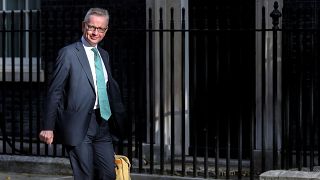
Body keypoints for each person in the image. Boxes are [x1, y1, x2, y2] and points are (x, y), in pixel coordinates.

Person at [39, 7, 126, 180]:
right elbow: (55, 91)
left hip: (102, 123)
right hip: (78, 124)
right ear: (83, 26)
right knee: (84, 175)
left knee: (108, 173)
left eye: (100, 29)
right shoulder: (69, 53)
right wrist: (48, 126)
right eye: (91, 27)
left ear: (106, 30)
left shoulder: (104, 55)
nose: (95, 32)